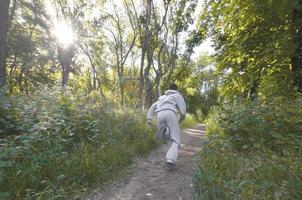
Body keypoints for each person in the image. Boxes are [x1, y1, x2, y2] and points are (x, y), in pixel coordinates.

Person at [147, 84, 186, 171]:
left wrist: (149, 119)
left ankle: (165, 131)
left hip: (159, 115)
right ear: (176, 89)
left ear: (169, 89)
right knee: (176, 140)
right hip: (170, 113)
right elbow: (183, 112)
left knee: (166, 138)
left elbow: (153, 107)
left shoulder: (162, 97)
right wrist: (178, 121)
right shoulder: (177, 96)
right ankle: (170, 159)